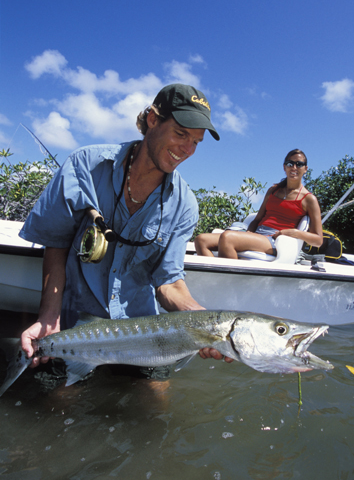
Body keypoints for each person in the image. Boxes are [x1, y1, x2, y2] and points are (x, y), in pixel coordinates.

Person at [19, 83, 232, 370]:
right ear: (153, 120)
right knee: (60, 402)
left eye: (196, 141)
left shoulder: (185, 205)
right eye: (181, 133)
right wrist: (48, 318)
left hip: (145, 338)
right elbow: (55, 244)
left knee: (156, 407)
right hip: (76, 327)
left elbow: (168, 281)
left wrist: (205, 323)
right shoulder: (85, 165)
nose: (187, 149)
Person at [194, 149, 323, 259]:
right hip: (258, 234)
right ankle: (218, 280)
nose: (294, 167)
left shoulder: (309, 199)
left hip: (275, 240)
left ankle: (229, 284)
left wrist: (293, 232)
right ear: (284, 167)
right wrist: (249, 233)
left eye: (299, 164)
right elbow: (258, 219)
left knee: (228, 238)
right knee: (201, 240)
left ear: (305, 169)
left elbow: (318, 240)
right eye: (290, 163)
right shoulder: (273, 190)